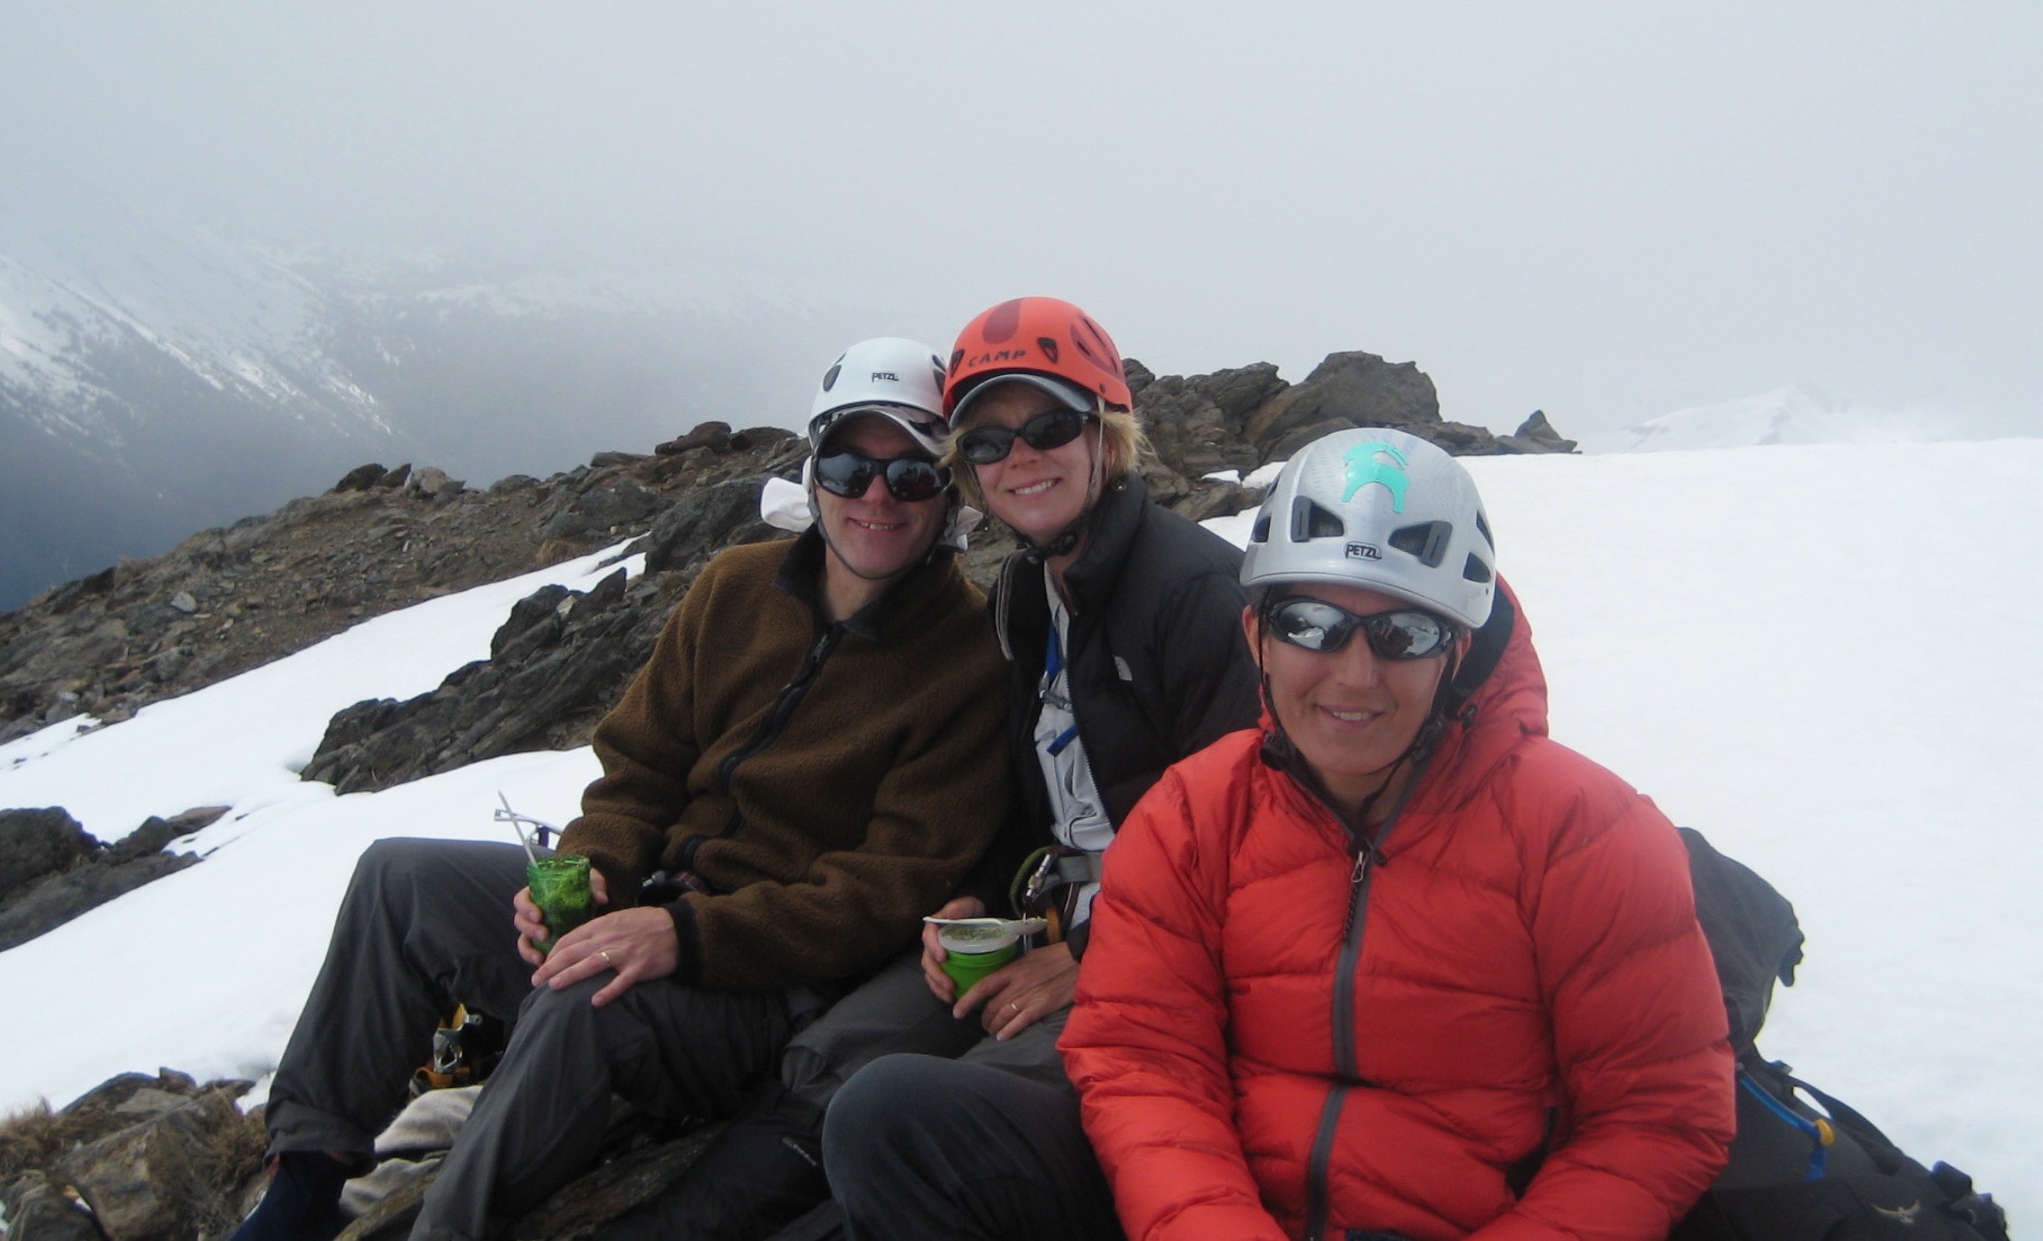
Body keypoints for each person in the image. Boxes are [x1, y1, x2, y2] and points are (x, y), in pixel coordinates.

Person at [231, 337, 1011, 1241]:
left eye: (911, 473)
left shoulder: (967, 658)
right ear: (815, 468)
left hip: (764, 989)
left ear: (948, 490)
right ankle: (302, 1186)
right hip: (650, 906)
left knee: (583, 992)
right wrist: (592, 873)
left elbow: (882, 892)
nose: (876, 496)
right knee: (399, 879)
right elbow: (638, 769)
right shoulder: (735, 589)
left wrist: (681, 934)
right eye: (848, 464)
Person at [1059, 428, 1738, 1240]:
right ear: (1257, 640)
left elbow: (1656, 1118)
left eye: (1404, 635)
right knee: (909, 1121)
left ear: (1455, 654)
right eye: (1312, 623)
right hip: (1226, 1208)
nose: (1355, 675)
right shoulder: (1192, 817)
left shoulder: (1588, 835)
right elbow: (1143, 1062)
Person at [821, 297, 1260, 1241]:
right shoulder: (1029, 595)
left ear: (1106, 434)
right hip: (1061, 928)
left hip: (1173, 978)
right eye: (985, 442)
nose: (1019, 458)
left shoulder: (1195, 598)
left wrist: (1094, 962)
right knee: (834, 1062)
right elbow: (1042, 813)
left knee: (912, 1121)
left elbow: (1257, 857)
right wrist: (982, 902)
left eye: (1049, 426)